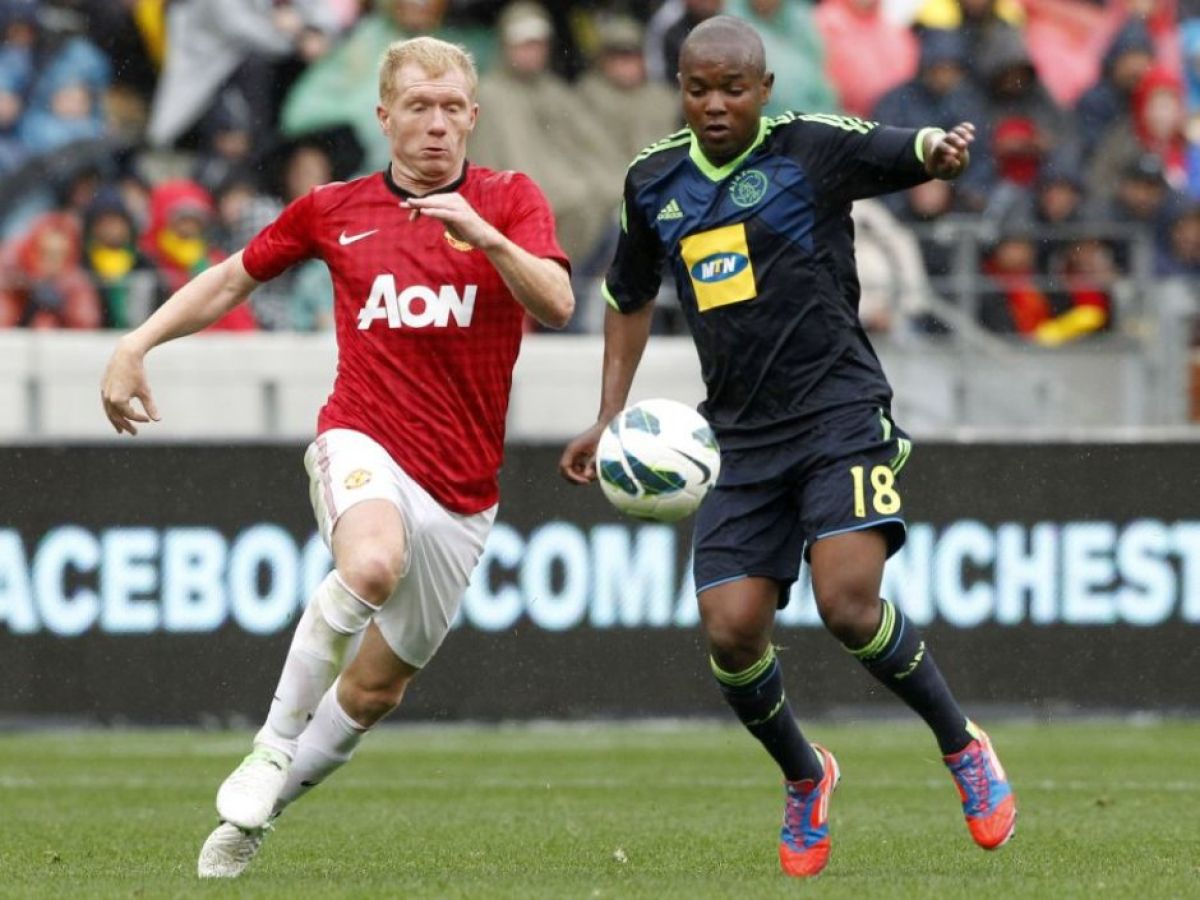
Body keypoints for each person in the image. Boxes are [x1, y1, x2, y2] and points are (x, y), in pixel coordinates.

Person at [100, 36, 572, 878]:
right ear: (384, 116)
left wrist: (488, 239)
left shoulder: (508, 199)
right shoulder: (333, 209)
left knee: (376, 690)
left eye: (452, 108)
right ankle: (271, 745)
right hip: (363, 436)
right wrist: (136, 343)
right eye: (418, 107)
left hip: (463, 491)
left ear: (473, 115)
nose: (436, 125)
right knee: (372, 563)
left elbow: (560, 301)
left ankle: (256, 816)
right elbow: (232, 278)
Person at [559, 16, 1015, 879]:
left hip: (839, 412)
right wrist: (608, 413)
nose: (715, 104)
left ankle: (961, 744)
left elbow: (906, 148)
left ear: (763, 90)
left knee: (848, 605)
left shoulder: (809, 149)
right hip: (737, 437)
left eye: (733, 89)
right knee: (732, 633)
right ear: (680, 90)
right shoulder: (653, 180)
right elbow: (627, 295)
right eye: (699, 89)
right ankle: (807, 775)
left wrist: (942, 153)